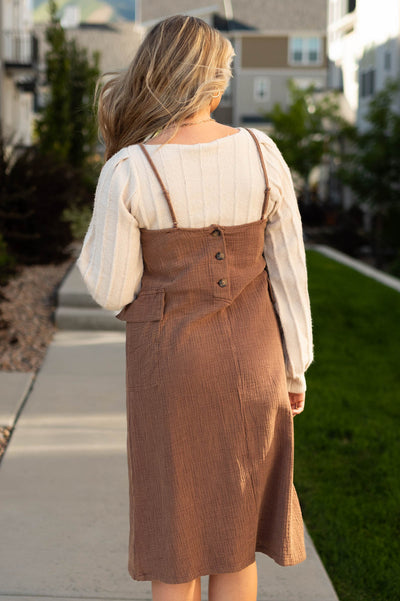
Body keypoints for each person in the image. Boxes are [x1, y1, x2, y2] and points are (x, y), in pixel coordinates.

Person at [77, 14, 313, 601]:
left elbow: (110, 289)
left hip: (170, 372)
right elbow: (290, 275)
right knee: (236, 541)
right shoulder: (263, 153)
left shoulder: (129, 169)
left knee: (175, 542)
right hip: (255, 367)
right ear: (214, 82)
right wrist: (296, 368)